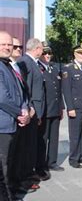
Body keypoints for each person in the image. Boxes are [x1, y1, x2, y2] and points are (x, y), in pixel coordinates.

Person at [0, 30, 29, 201]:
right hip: (3, 126)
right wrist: (20, 112)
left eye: (9, 44)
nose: (7, 47)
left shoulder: (8, 65)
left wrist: (25, 108)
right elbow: (2, 97)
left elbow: (20, 91)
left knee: (7, 168)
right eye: (3, 44)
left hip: (13, 122)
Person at [16, 38, 45, 183]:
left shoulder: (33, 62)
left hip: (35, 109)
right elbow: (26, 88)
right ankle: (26, 174)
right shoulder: (25, 62)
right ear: (36, 49)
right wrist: (31, 108)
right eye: (41, 48)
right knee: (28, 144)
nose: (43, 51)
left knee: (33, 143)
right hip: (31, 110)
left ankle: (30, 171)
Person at [62, 43, 82, 168]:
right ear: (74, 54)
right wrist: (70, 108)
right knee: (75, 135)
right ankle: (74, 158)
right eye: (80, 53)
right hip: (76, 107)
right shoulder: (68, 68)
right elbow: (66, 90)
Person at [37, 43, 64, 172]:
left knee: (54, 138)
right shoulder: (37, 68)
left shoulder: (54, 68)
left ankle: (52, 162)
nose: (47, 56)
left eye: (49, 53)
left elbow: (59, 90)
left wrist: (61, 108)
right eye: (45, 53)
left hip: (56, 109)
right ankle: (41, 165)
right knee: (43, 139)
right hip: (45, 110)